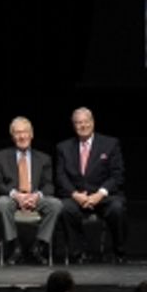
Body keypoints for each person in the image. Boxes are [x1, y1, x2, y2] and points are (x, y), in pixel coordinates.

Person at [54, 106, 127, 262]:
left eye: (86, 121)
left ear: (93, 122)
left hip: (103, 196)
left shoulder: (110, 144)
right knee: (65, 208)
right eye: (78, 122)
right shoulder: (63, 147)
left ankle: (118, 252)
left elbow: (117, 175)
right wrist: (75, 194)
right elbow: (61, 176)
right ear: (74, 125)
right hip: (76, 196)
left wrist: (100, 194)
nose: (83, 125)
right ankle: (77, 254)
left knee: (117, 208)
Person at [0, 116, 62, 265]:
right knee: (2, 203)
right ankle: (15, 247)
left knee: (56, 204)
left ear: (31, 134)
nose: (22, 136)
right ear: (12, 136)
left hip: (34, 197)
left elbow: (49, 186)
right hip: (12, 198)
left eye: (25, 132)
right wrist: (16, 195)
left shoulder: (44, 158)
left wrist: (36, 196)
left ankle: (38, 246)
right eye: (17, 133)